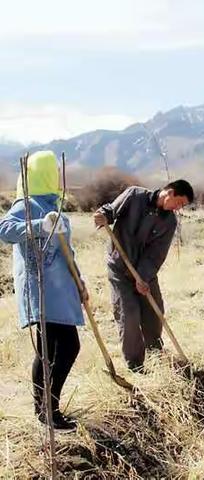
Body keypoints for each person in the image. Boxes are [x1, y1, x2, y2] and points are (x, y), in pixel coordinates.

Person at [0, 150, 86, 430]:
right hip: (42, 290)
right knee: (59, 348)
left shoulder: (56, 205)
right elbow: (4, 230)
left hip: (61, 289)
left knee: (55, 349)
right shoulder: (25, 205)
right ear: (42, 173)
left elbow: (66, 251)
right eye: (53, 171)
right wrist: (39, 225)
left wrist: (80, 282)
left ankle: (47, 409)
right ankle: (47, 410)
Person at [94, 180, 194, 372]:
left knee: (154, 314)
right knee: (129, 314)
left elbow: (157, 254)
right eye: (179, 203)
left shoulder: (169, 222)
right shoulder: (134, 195)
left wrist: (143, 277)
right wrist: (103, 216)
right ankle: (136, 366)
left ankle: (156, 354)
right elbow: (111, 211)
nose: (179, 208)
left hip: (145, 274)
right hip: (120, 269)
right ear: (170, 193)